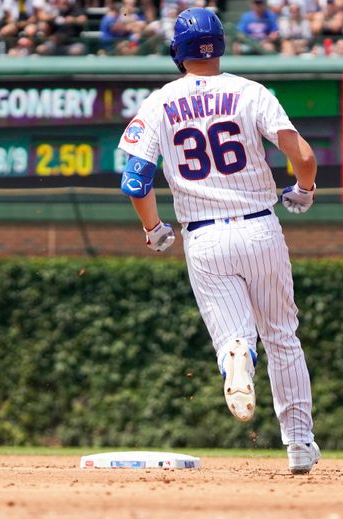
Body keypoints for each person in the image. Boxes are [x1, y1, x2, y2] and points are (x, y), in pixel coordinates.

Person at [117, 7, 320, 474]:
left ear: (178, 51)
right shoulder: (251, 92)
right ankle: (298, 446)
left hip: (204, 235)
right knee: (283, 339)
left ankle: (235, 355)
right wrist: (303, 190)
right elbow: (302, 155)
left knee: (236, 337)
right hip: (259, 224)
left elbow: (135, 180)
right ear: (221, 45)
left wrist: (153, 229)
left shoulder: (160, 102)